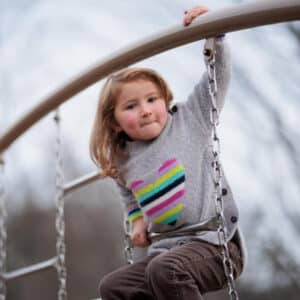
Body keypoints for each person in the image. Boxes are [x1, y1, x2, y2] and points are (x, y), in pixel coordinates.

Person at [90, 5, 246, 300]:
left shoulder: (190, 121)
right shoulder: (123, 159)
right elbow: (128, 194)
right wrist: (136, 219)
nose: (146, 110)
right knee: (113, 287)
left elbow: (218, 77)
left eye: (152, 99)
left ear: (165, 98)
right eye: (131, 106)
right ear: (115, 121)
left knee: (165, 270)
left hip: (214, 245)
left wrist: (214, 33)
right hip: (163, 255)